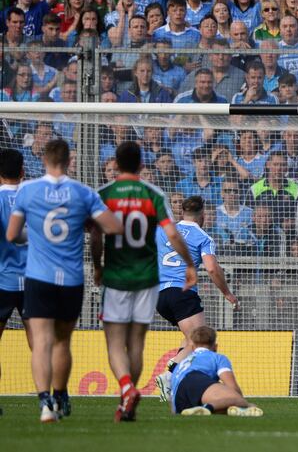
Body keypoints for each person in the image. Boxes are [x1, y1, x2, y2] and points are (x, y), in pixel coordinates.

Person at [5, 139, 123, 423]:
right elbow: (112, 227)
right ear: (70, 161)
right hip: (71, 279)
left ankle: (45, 403)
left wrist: (36, 234)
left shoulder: (28, 191)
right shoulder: (82, 193)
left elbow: (11, 235)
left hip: (38, 277)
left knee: (42, 341)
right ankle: (60, 395)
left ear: (43, 160)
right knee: (62, 342)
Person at [90, 141, 196, 422]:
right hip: (147, 278)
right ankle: (129, 398)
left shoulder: (105, 193)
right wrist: (188, 264)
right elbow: (172, 234)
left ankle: (126, 389)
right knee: (136, 342)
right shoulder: (153, 194)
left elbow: (96, 235)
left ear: (116, 163)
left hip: (116, 277)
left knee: (114, 342)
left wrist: (97, 267)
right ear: (140, 165)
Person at [153, 195, 239, 403]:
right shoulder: (203, 237)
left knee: (189, 336)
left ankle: (173, 375)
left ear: (181, 212)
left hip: (158, 294)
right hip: (181, 291)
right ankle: (170, 374)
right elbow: (211, 268)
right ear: (203, 214)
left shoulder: (162, 230)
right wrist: (227, 292)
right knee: (200, 340)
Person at [171, 325, 262, 416]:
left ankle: (206, 409)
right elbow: (232, 387)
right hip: (195, 379)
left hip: (178, 401)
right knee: (237, 400)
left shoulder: (182, 362)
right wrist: (243, 403)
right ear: (215, 347)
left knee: (223, 405)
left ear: (193, 348)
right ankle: (207, 408)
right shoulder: (217, 358)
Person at [0, 148, 30, 417]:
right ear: (23, 171)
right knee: (41, 343)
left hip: (2, 280)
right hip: (34, 280)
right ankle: (52, 399)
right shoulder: (34, 196)